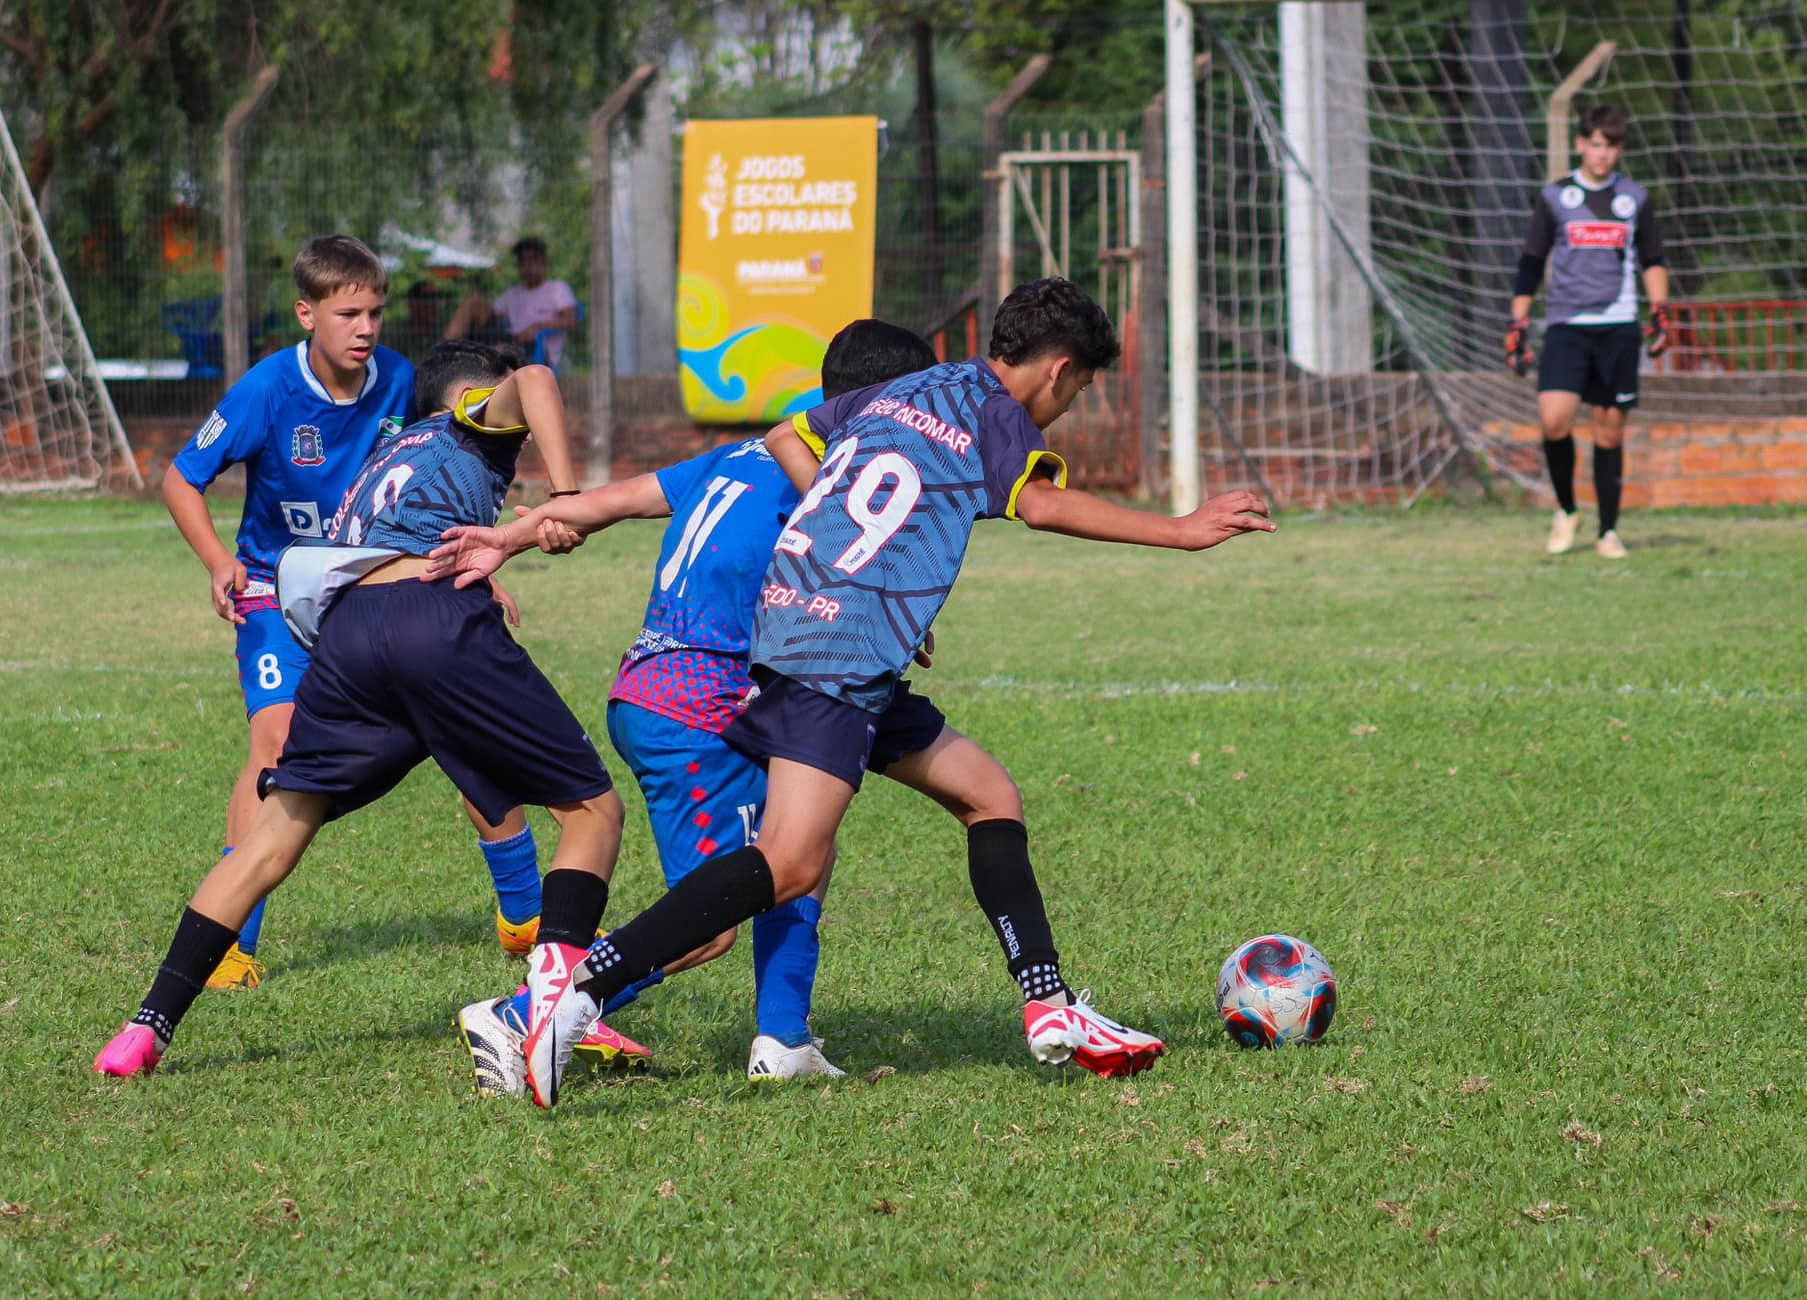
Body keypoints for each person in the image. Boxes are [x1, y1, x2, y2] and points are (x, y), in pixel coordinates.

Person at [438, 278, 1277, 1109]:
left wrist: (851, 553)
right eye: (1082, 389)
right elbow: (1045, 506)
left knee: (988, 794)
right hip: (830, 655)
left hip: (827, 640)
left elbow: (784, 434)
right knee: (789, 861)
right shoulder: (998, 416)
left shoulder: (909, 390)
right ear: (1058, 371)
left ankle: (1049, 1006)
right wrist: (1181, 530)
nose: (1072, 404)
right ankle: (559, 1005)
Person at [95, 341, 640, 1078]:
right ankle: (548, 1017)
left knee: (273, 838)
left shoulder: (390, 447)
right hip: (432, 621)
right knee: (593, 812)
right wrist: (566, 495)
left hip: (349, 637)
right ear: (470, 396)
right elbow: (537, 378)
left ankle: (146, 1027)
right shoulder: (469, 417)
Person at [437, 320, 941, 1090]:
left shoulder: (741, 452)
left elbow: (614, 501)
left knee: (801, 844)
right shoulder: (833, 469)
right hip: (699, 703)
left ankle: (784, 1040)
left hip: (660, 688)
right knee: (712, 925)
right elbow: (852, 562)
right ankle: (520, 1016)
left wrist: (514, 536)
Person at [160, 234, 413, 990]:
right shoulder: (266, 390)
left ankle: (525, 917)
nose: (365, 328)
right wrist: (218, 561)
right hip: (273, 590)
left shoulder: (400, 381)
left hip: (367, 585)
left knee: (456, 719)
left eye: (374, 312)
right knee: (276, 748)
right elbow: (181, 479)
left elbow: (446, 463)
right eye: (348, 313)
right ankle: (231, 941)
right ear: (307, 313)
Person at [1505, 102, 1671, 560]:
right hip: (1566, 325)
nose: (1603, 155)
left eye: (1612, 147)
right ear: (1581, 145)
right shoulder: (1556, 197)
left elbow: (1652, 259)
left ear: (1619, 150)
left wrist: (1659, 311)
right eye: (1596, 145)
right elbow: (1532, 261)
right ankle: (1566, 508)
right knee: (1554, 419)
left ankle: (1608, 532)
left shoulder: (1633, 199)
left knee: (1609, 431)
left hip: (1617, 327)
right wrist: (1517, 321)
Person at [444, 236, 578, 369]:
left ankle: (462, 357)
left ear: (544, 262)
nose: (528, 266)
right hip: (511, 340)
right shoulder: (513, 293)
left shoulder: (557, 288)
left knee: (492, 350)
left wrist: (537, 326)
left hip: (537, 351)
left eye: (533, 260)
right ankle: (442, 355)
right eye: (523, 261)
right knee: (473, 301)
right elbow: (491, 314)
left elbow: (570, 320)